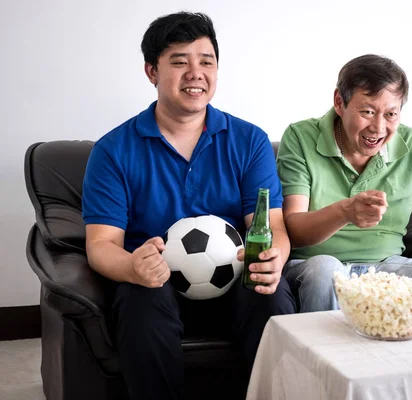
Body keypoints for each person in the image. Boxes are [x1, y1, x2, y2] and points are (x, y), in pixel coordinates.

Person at [81, 12, 295, 400]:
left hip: (233, 281)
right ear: (151, 71)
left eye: (206, 61)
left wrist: (274, 256)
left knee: (270, 291)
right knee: (140, 296)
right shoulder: (112, 151)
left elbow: (273, 226)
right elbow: (100, 246)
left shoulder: (249, 140)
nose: (195, 73)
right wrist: (132, 265)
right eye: (179, 61)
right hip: (154, 282)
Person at [275, 54, 412, 329]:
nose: (379, 128)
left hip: (386, 268)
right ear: (339, 102)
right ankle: (331, 369)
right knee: (325, 272)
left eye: (391, 114)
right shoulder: (300, 137)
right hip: (316, 264)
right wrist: (345, 211)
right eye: (367, 111)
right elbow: (294, 228)